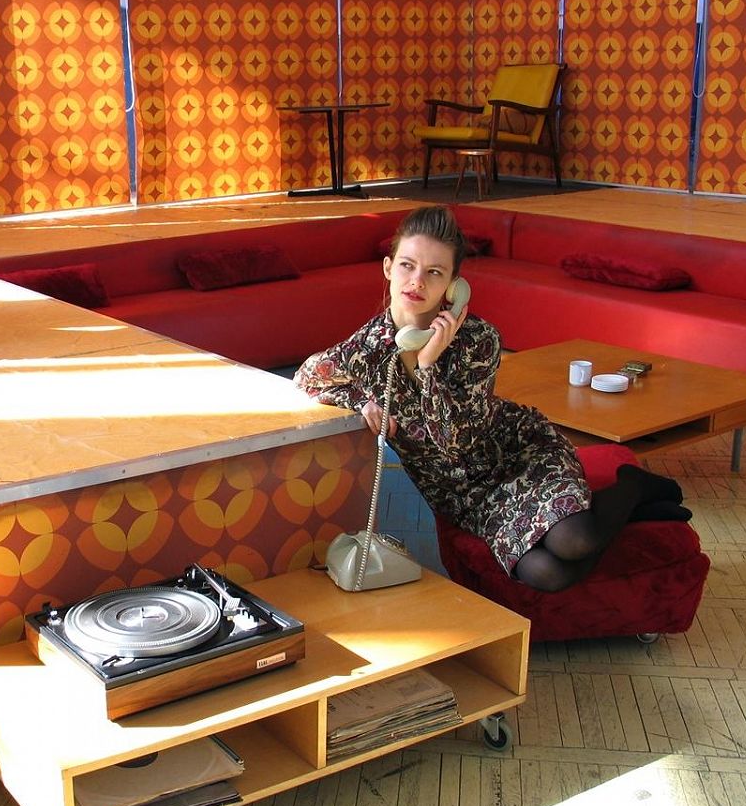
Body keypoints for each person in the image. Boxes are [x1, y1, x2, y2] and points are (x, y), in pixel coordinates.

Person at [294, 205, 689, 592]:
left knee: (575, 541)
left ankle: (633, 486)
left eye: (434, 272)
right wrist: (362, 401)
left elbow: (457, 442)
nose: (417, 281)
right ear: (387, 268)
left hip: (518, 456)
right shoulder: (366, 349)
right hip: (462, 495)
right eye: (407, 266)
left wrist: (428, 367)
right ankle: (629, 507)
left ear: (453, 285)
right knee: (547, 574)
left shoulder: (478, 340)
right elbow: (307, 377)